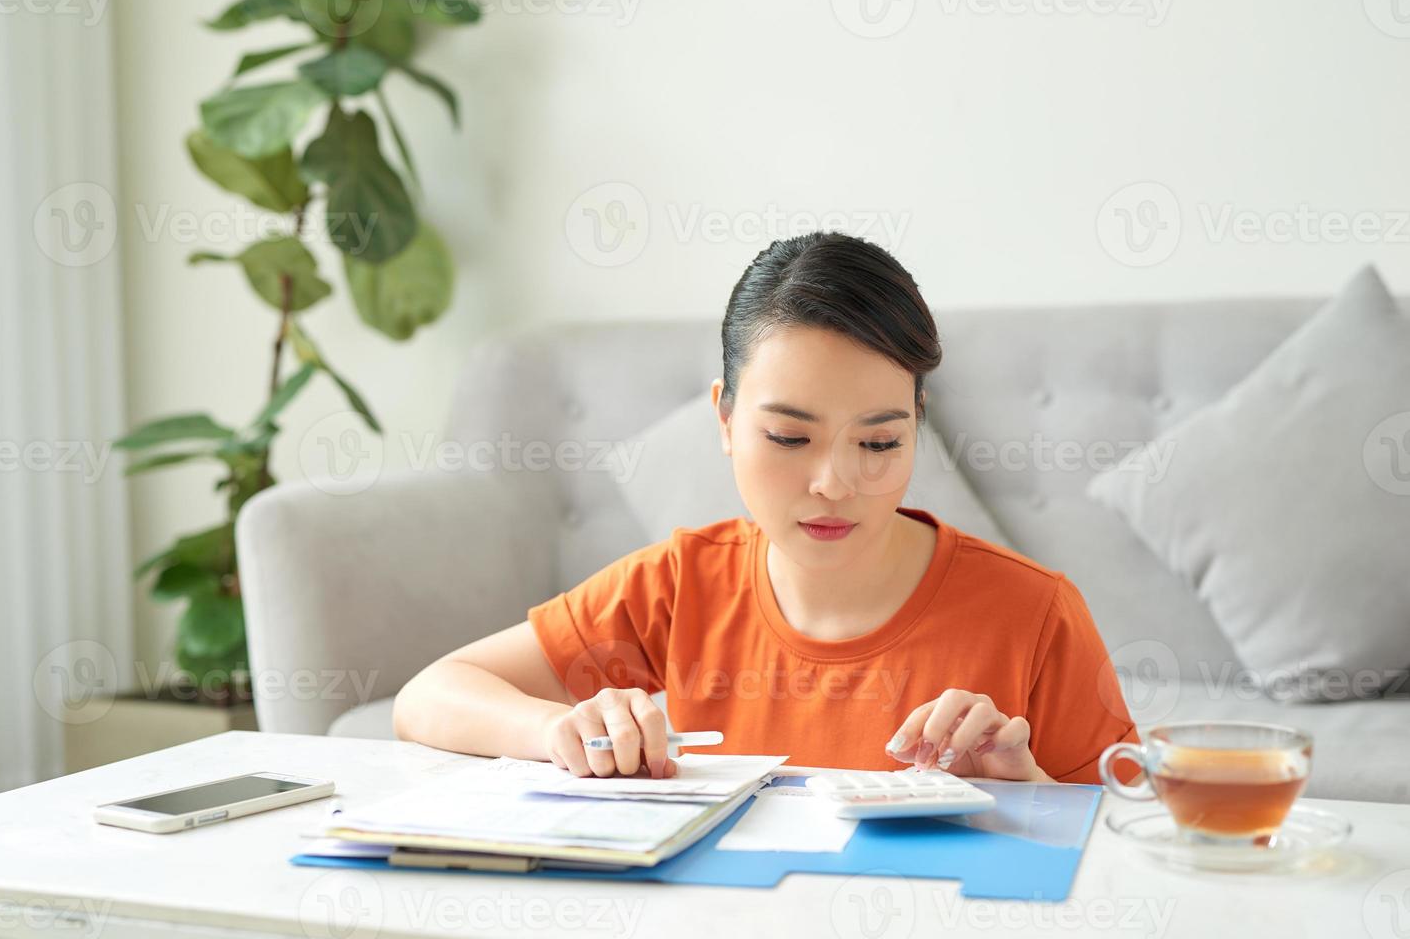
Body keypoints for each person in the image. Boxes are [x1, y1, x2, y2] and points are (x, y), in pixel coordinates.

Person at [394, 231, 1142, 785]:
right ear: (722, 420)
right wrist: (562, 727)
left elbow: (1128, 840)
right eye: (789, 437)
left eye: (879, 443)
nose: (833, 483)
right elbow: (430, 696)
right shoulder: (679, 587)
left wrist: (1032, 797)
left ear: (917, 426)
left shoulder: (1032, 615)